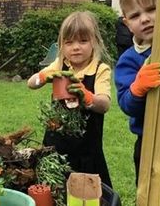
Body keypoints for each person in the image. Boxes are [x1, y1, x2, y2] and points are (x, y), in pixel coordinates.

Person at [27, 11, 113, 187]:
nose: (76, 47)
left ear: (95, 42)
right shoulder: (60, 64)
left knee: (87, 193)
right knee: (53, 188)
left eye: (83, 41)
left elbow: (104, 105)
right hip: (55, 144)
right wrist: (42, 78)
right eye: (69, 42)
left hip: (86, 149)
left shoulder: (100, 69)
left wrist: (87, 96)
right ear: (61, 45)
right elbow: (31, 83)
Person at [115, 0, 160, 185]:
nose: (144, 19)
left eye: (152, 9)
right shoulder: (129, 59)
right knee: (151, 191)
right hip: (149, 143)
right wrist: (137, 88)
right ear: (127, 24)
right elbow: (126, 104)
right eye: (135, 15)